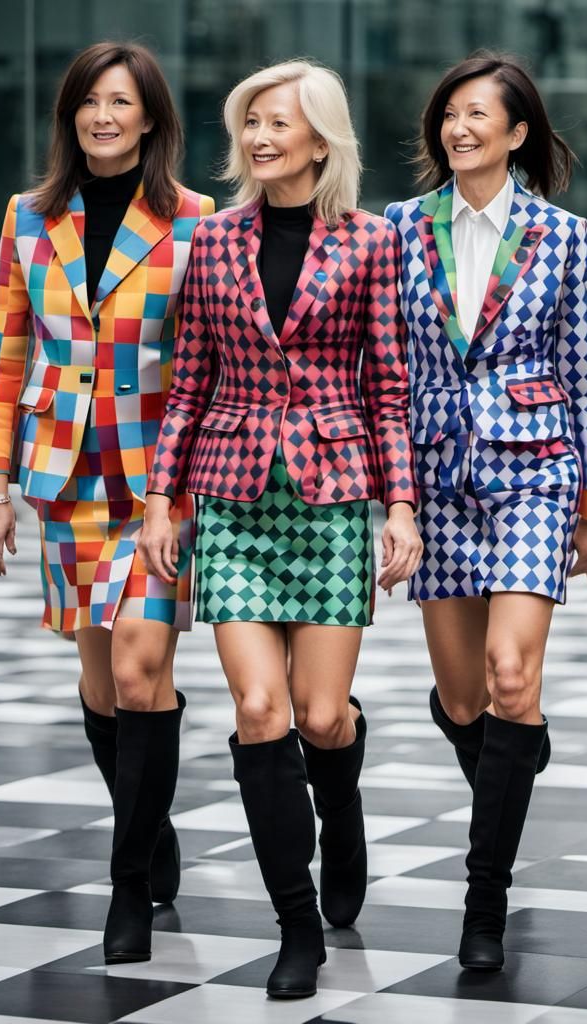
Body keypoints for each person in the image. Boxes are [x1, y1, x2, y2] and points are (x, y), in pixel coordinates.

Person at [140, 59, 421, 999]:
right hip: (232, 497)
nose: (260, 138)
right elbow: (189, 381)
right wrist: (158, 501)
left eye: (278, 122)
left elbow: (388, 383)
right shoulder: (212, 243)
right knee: (260, 714)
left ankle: (340, 813)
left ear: (320, 137)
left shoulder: (372, 242)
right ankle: (295, 924)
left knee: (319, 717)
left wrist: (402, 506)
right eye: (250, 121)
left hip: (336, 496)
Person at [0, 41, 214, 965]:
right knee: (102, 682)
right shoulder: (29, 219)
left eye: (121, 102)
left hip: (162, 480)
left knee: (145, 669)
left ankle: (127, 891)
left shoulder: (197, 220)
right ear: (70, 116)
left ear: (150, 117)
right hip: (65, 475)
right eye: (88, 103)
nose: (103, 116)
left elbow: (211, 354)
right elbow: (4, 350)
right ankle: (148, 828)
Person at [386, 51, 587, 973]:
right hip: (437, 472)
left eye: (479, 113)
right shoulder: (399, 227)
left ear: (517, 132)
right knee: (462, 697)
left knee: (512, 675)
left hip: (536, 470)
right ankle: (517, 752)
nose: (459, 126)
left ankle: (486, 902)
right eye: (449, 113)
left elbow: (585, 374)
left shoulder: (562, 236)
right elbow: (386, 362)